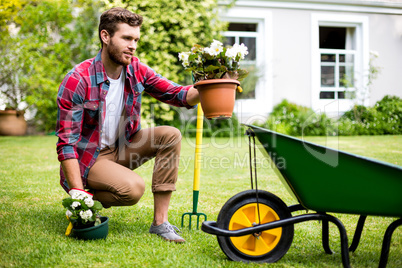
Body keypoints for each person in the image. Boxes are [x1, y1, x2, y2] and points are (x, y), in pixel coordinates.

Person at [56, 7, 199, 243]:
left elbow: (179, 95)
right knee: (133, 189)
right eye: (126, 38)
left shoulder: (135, 69)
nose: (133, 45)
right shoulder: (78, 79)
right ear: (105, 36)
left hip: (122, 147)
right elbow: (67, 143)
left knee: (170, 135)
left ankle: (160, 224)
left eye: (136, 39)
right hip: (91, 157)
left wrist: (214, 84)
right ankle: (85, 196)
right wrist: (77, 193)